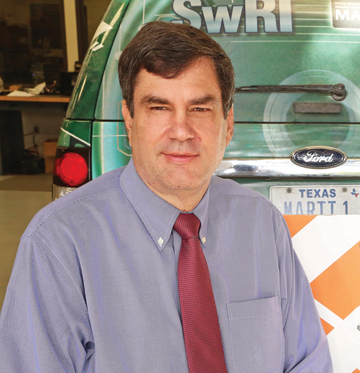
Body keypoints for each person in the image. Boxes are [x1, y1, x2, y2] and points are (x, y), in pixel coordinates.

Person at [0, 21, 332, 372]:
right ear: (129, 119)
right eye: (158, 107)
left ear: (228, 122)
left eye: (200, 108)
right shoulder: (59, 242)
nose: (181, 131)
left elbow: (307, 360)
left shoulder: (262, 223)